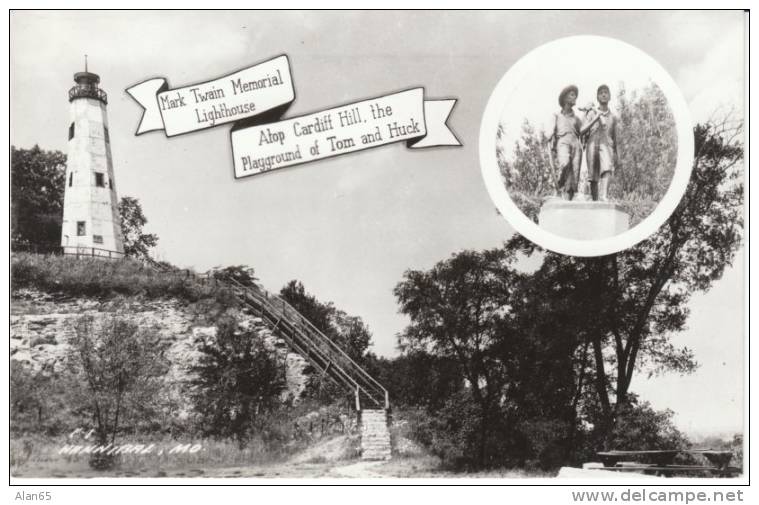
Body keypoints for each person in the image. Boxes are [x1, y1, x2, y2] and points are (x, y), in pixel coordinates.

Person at [583, 84, 618, 201]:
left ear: (609, 96)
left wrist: (618, 155)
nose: (603, 94)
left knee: (607, 167)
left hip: (607, 145)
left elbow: (616, 138)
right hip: (592, 144)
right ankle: (595, 200)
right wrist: (595, 117)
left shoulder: (613, 117)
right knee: (593, 176)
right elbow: (582, 131)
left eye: (606, 92)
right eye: (601, 93)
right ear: (597, 97)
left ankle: (604, 197)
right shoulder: (592, 113)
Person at [549, 85, 583, 200]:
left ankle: (569, 198)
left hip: (576, 144)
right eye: (572, 95)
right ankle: (557, 186)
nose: (575, 98)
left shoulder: (577, 119)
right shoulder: (556, 115)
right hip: (563, 142)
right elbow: (551, 128)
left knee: (575, 174)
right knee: (564, 163)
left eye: (575, 95)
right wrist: (549, 134)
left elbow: (584, 132)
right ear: (565, 98)